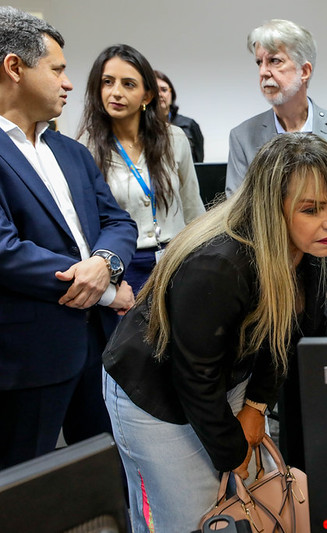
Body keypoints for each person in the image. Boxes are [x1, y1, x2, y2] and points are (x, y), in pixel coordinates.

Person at [102, 133, 327, 532]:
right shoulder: (220, 265)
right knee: (190, 519)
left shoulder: (308, 250)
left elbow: (283, 338)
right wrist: (230, 449)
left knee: (249, 501)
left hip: (222, 374)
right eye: (313, 209)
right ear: (273, 208)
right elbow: (194, 378)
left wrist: (254, 407)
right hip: (157, 394)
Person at [0, 7, 137, 469]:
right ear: (15, 68)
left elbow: (119, 223)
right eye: (57, 69)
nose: (69, 83)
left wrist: (105, 264)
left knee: (105, 480)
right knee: (22, 489)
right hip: (25, 357)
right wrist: (104, 291)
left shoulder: (71, 151)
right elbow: (6, 252)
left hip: (99, 350)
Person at [77, 45, 205, 294]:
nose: (116, 92)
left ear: (147, 96)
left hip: (176, 259)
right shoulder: (85, 147)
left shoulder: (174, 138)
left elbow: (193, 207)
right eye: (107, 82)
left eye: (128, 84)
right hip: (122, 268)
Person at [226, 19, 327, 200]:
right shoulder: (242, 138)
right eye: (259, 62)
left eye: (274, 61)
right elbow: (238, 212)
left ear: (304, 71)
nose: (263, 71)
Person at [154, 70, 205, 163]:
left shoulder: (189, 124)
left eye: (164, 90)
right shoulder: (141, 126)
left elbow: (199, 162)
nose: (160, 94)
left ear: (171, 93)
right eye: (155, 90)